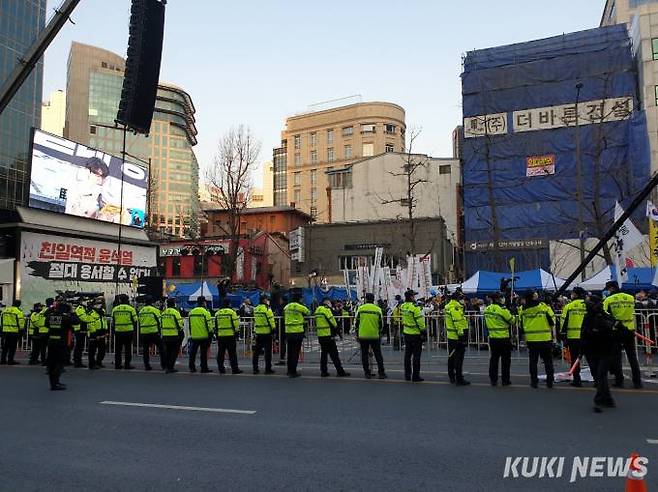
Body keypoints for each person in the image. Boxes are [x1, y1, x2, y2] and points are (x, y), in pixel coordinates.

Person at [603, 280, 642, 389]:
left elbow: (605, 314)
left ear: (610, 288)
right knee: (632, 357)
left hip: (616, 330)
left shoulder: (608, 299)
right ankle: (637, 382)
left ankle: (619, 380)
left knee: (616, 357)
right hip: (629, 330)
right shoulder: (630, 297)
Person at [581, 295, 617, 410]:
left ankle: (603, 398)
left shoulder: (591, 317)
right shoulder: (607, 316)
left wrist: (582, 348)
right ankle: (604, 398)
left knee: (599, 375)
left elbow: (584, 334)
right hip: (605, 349)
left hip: (595, 349)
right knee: (600, 375)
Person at [519, 291, 555, 389]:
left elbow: (520, 325)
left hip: (532, 340)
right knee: (548, 361)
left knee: (533, 361)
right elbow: (552, 321)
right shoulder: (543, 307)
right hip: (545, 338)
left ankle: (534, 381)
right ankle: (550, 381)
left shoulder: (522, 310)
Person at [484, 292, 514, 386]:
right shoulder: (502, 309)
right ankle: (505, 380)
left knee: (494, 359)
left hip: (493, 338)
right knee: (505, 361)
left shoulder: (487, 309)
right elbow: (512, 320)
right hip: (503, 338)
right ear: (498, 299)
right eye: (502, 298)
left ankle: (493, 379)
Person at [314, 297, 349, 377]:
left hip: (321, 335)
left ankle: (323, 371)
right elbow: (333, 322)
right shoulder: (326, 310)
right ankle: (340, 371)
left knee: (324, 354)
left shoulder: (317, 310)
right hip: (328, 335)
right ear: (326, 303)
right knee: (334, 354)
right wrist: (339, 333)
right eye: (329, 303)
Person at [355, 293, 387, 380]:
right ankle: (381, 373)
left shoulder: (361, 308)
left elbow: (356, 322)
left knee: (364, 355)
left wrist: (357, 333)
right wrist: (379, 331)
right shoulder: (378, 309)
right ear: (373, 299)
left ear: (366, 299)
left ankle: (367, 373)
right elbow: (381, 324)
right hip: (374, 335)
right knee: (378, 354)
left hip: (363, 335)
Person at [560, 287, 587, 387]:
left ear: (575, 295)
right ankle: (598, 380)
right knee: (592, 359)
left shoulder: (569, 306)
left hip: (573, 337)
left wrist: (563, 335)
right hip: (587, 336)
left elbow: (563, 322)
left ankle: (577, 379)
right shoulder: (588, 305)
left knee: (575, 359)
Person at [45, 301, 73, 391]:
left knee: (52, 364)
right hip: (61, 344)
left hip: (51, 342)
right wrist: (72, 312)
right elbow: (76, 321)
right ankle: (55, 384)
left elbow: (46, 324)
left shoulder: (50, 317)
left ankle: (54, 383)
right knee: (58, 364)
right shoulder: (65, 318)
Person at [445, 291, 470, 385]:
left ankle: (452, 376)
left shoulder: (450, 306)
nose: (463, 300)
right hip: (457, 337)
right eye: (461, 298)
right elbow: (457, 322)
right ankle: (459, 378)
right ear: (458, 299)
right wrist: (461, 335)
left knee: (452, 357)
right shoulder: (455, 308)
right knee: (458, 359)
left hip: (452, 336)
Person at [401, 290, 426, 382]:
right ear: (411, 297)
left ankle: (407, 375)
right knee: (416, 356)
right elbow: (420, 321)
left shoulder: (403, 306)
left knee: (407, 355)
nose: (415, 297)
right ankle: (415, 376)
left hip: (406, 333)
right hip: (415, 334)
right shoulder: (415, 307)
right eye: (414, 296)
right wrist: (423, 331)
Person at [283, 291, 310, 378]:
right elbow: (308, 312)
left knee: (290, 352)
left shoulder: (286, 307)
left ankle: (288, 370)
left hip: (288, 332)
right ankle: (293, 371)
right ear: (299, 299)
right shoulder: (300, 307)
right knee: (295, 352)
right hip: (297, 332)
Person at [215, 299, 243, 374]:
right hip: (230, 335)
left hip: (221, 335)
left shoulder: (218, 313)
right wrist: (237, 333)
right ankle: (235, 369)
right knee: (232, 353)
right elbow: (236, 324)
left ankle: (221, 368)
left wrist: (217, 334)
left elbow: (216, 325)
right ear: (229, 304)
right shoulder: (232, 312)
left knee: (221, 353)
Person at [80, 297, 108, 370]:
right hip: (94, 333)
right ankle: (92, 364)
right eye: (97, 304)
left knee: (102, 350)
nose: (99, 305)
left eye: (100, 304)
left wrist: (106, 332)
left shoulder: (102, 311)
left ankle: (99, 362)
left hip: (102, 332)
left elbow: (104, 322)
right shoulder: (91, 313)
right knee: (92, 350)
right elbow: (90, 324)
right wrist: (95, 335)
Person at [111, 295, 137, 370]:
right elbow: (135, 320)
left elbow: (112, 322)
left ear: (120, 300)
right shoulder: (131, 309)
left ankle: (117, 365)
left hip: (118, 331)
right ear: (127, 300)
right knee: (128, 349)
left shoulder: (115, 309)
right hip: (128, 331)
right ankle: (127, 365)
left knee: (118, 349)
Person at [188, 296, 213, 373]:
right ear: (204, 302)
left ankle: (192, 367)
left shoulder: (191, 312)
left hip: (194, 336)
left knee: (193, 353)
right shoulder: (206, 312)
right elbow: (209, 325)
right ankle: (203, 368)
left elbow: (190, 324)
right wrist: (210, 334)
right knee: (203, 353)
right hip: (203, 336)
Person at [253, 295, 276, 375]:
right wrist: (274, 330)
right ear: (264, 300)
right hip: (266, 333)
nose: (267, 301)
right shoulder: (267, 309)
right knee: (267, 352)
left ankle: (255, 368)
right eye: (266, 299)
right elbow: (271, 321)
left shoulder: (255, 309)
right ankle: (268, 369)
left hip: (258, 333)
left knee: (256, 352)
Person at [138, 297, 163, 371]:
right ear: (152, 302)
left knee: (145, 350)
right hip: (153, 332)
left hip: (143, 332)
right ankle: (164, 365)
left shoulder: (141, 310)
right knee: (162, 348)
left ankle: (147, 365)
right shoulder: (154, 310)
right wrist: (159, 330)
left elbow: (139, 320)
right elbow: (159, 321)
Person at [160, 298, 184, 373]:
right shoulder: (175, 312)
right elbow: (180, 324)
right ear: (174, 304)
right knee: (174, 352)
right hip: (174, 335)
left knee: (167, 351)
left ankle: (166, 366)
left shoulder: (164, 313)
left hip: (165, 335)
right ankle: (170, 367)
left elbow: (161, 324)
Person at [1, 300, 25, 365]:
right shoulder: (18, 311)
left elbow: (1, 319)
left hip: (5, 331)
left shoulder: (5, 310)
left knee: (5, 346)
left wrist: (1, 328)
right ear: (19, 304)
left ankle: (2, 360)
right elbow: (21, 322)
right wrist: (21, 330)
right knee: (12, 347)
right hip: (14, 331)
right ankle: (10, 360)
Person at [72, 302, 88, 368]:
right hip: (79, 329)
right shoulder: (80, 309)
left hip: (81, 329)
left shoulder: (82, 308)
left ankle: (78, 361)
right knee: (79, 347)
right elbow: (85, 318)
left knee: (79, 347)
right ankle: (77, 362)